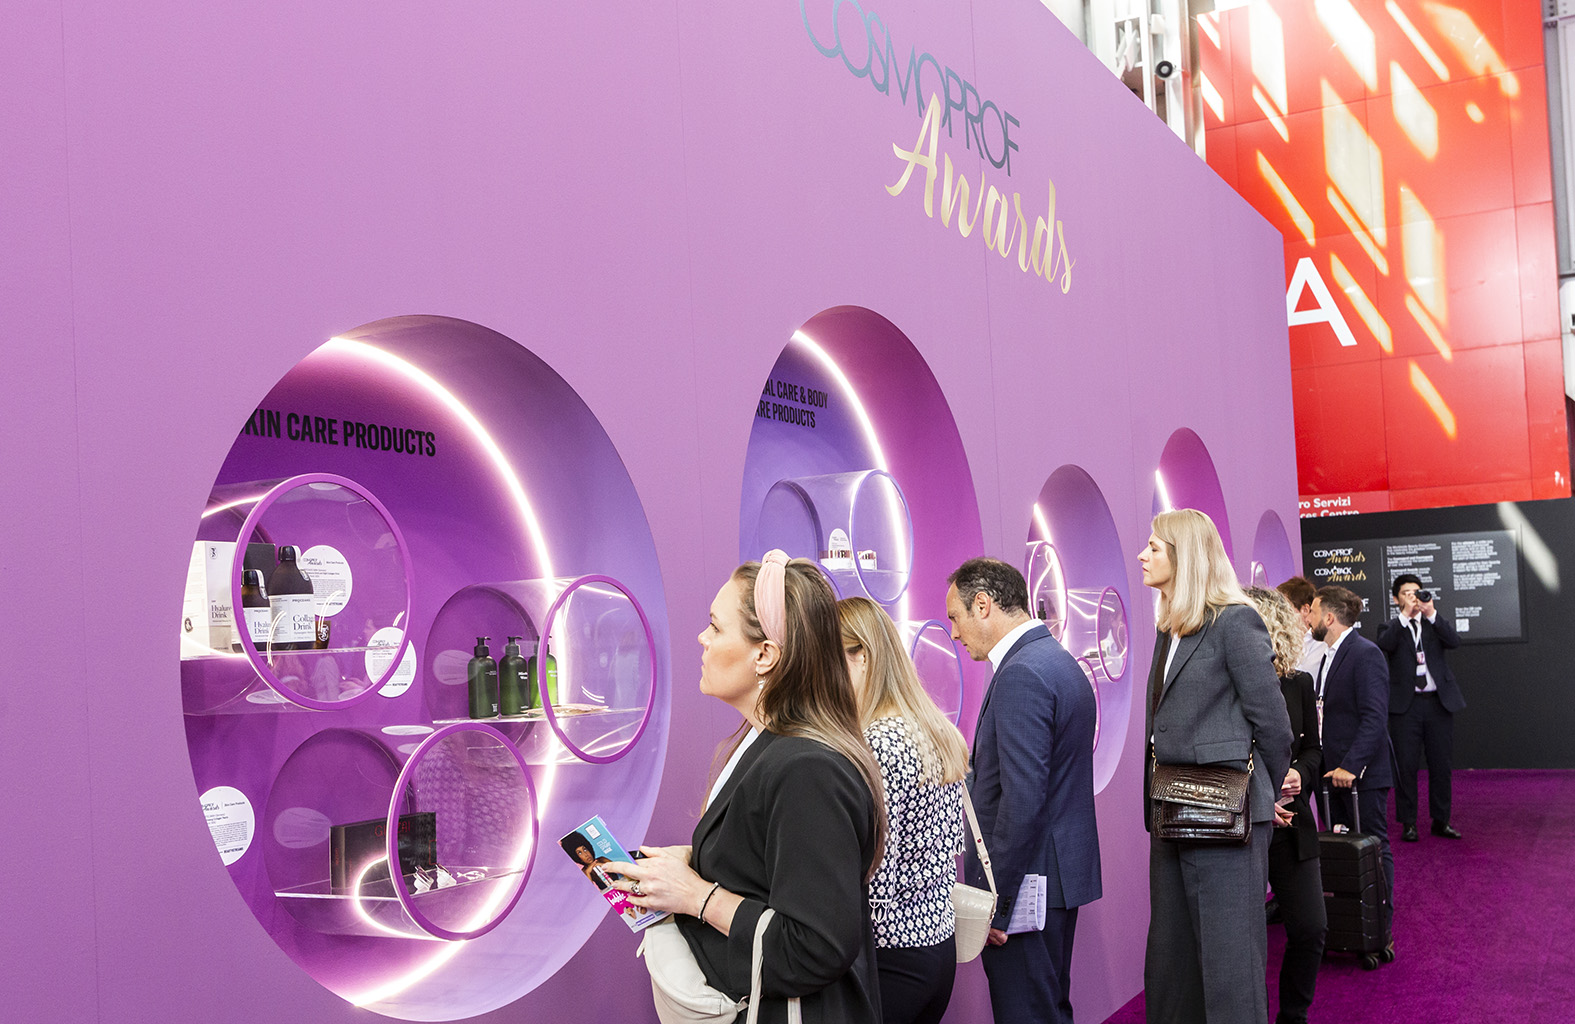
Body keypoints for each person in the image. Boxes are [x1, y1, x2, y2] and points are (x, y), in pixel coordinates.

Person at [607, 551, 886, 1023]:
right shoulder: (767, 742)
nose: (702, 638)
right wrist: (690, 862)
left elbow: (813, 947)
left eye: (716, 628)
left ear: (765, 655)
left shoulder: (808, 768)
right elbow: (771, 862)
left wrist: (695, 895)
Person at [1139, 509, 1292, 1024]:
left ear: (1183, 555)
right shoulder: (1169, 628)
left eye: (1154, 547)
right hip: (1170, 812)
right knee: (1171, 968)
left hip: (1229, 820)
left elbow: (1274, 727)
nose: (1142, 555)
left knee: (1231, 972)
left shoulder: (1235, 621)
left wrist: (1260, 793)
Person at [944, 557, 1101, 1024]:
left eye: (955, 617)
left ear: (983, 605)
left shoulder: (1021, 673)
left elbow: (1022, 801)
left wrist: (997, 904)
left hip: (1027, 886)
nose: (954, 632)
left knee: (1028, 1012)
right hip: (1052, 880)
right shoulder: (1055, 659)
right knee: (1047, 1007)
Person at [838, 596, 969, 1024]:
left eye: (828, 659)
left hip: (892, 954)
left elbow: (878, 872)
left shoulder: (879, 742)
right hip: (937, 943)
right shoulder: (932, 726)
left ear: (862, 657)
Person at [1245, 586, 1327, 1024]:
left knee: (1311, 928)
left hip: (1293, 823)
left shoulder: (1298, 683)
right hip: (1241, 826)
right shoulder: (1226, 686)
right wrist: (1261, 794)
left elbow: (1313, 750)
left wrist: (1300, 773)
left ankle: (1294, 1016)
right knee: (1243, 941)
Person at [1310, 584, 1395, 955]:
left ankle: (1380, 929)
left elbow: (1374, 716)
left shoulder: (1365, 653)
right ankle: (1351, 927)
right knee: (1343, 847)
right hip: (1333, 775)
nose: (1308, 619)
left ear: (1329, 617)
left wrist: (1351, 765)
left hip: (1362, 775)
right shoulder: (1329, 655)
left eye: (1313, 612)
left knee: (1374, 846)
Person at [1375, 573, 1465, 842]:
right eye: (1407, 593)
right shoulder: (1391, 626)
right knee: (1406, 766)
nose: (1413, 597)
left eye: (1417, 592)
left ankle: (1441, 820)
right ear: (1396, 599)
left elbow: (1454, 641)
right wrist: (1405, 616)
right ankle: (1408, 823)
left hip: (1438, 703)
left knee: (1441, 764)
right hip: (1406, 707)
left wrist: (1432, 613)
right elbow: (1385, 645)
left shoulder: (1433, 623)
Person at [1275, 575, 1328, 676]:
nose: (1279, 615)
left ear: (1305, 610)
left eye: (1284, 609)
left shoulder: (1324, 643)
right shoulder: (1277, 642)